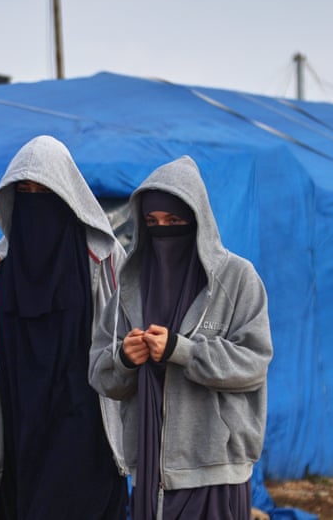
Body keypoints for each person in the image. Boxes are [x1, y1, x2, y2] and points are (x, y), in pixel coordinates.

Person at [0, 135, 128, 519]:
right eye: (24, 190)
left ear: (66, 192)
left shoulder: (103, 258)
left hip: (83, 420)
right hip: (19, 420)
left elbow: (125, 340)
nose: (34, 199)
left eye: (44, 189)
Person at [89, 155, 273, 520]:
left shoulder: (236, 278)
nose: (164, 231)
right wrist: (125, 359)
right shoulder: (131, 286)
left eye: (174, 221)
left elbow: (253, 362)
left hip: (216, 468)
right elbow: (99, 373)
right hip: (150, 469)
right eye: (153, 222)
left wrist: (181, 350)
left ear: (197, 220)